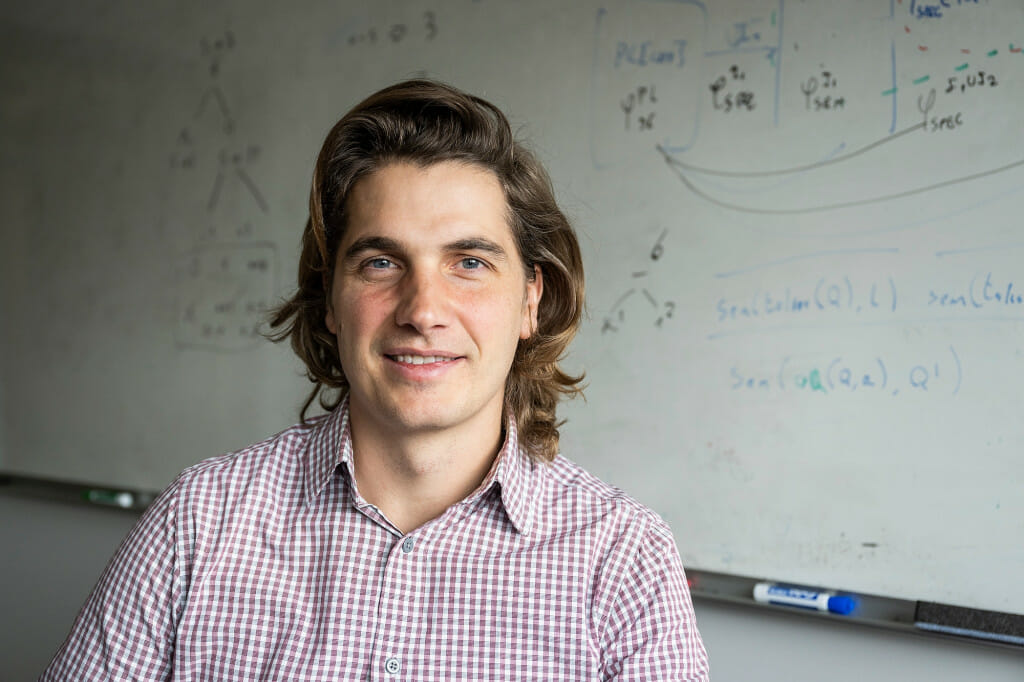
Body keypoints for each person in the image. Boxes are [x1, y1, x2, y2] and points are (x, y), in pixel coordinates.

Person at [42, 79, 709, 680]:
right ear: (329, 300)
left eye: (469, 263)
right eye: (382, 262)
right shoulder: (198, 524)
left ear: (531, 299)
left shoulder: (621, 560)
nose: (422, 310)